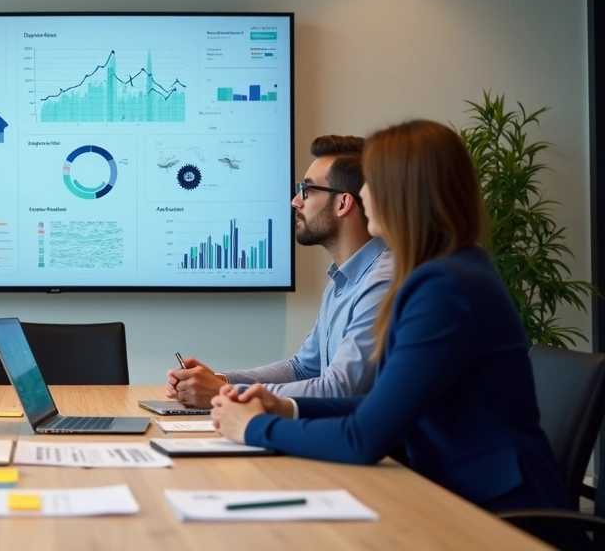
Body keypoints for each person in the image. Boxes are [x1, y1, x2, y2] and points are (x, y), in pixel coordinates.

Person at [210, 119, 571, 513]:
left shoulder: (444, 287)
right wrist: (289, 407)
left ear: (401, 193)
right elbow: (381, 404)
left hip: (499, 515)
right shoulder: (449, 272)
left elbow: (363, 437)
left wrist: (254, 427)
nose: (362, 194)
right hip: (458, 495)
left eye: (371, 183)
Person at [167, 136, 393, 408]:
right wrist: (221, 381)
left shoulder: (382, 283)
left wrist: (224, 394)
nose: (295, 201)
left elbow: (339, 388)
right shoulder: (341, 281)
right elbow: (302, 368)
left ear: (343, 204)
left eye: (307, 191)